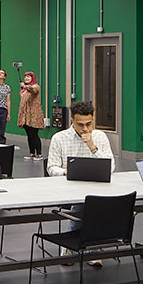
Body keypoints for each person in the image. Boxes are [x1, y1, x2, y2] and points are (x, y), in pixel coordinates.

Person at [46, 100, 115, 267]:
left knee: (92, 201)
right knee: (83, 203)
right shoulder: (59, 138)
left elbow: (110, 166)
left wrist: (92, 147)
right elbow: (51, 167)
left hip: (96, 186)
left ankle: (81, 244)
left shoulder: (100, 137)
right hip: (68, 188)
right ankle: (81, 245)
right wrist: (64, 172)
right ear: (72, 122)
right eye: (80, 125)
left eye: (89, 124)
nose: (85, 129)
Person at [17, 71, 45, 160]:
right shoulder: (24, 90)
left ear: (32, 78)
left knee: (34, 134)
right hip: (25, 115)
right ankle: (32, 152)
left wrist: (25, 86)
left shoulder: (35, 86)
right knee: (29, 135)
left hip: (33, 115)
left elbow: (33, 91)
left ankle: (39, 154)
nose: (26, 78)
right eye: (25, 77)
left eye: (28, 77)